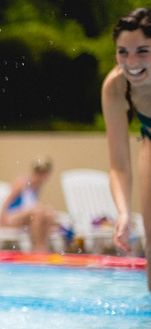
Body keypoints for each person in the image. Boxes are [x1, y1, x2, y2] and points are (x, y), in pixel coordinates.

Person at [101, 7, 151, 291]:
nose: (131, 62)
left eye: (142, 51)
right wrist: (123, 213)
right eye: (123, 52)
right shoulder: (115, 87)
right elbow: (119, 165)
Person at [0, 158, 58, 253]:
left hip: (26, 217)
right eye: (39, 173)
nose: (40, 177)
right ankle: (38, 247)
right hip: (11, 217)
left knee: (48, 213)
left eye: (43, 174)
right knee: (37, 212)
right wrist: (1, 219)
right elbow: (6, 201)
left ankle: (43, 245)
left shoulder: (37, 187)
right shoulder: (22, 183)